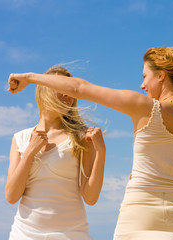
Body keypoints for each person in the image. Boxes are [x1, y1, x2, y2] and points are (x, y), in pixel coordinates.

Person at [8, 47, 173, 240]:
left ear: (161, 75)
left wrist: (28, 78)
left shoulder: (144, 107)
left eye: (145, 76)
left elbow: (79, 88)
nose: (142, 85)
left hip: (139, 216)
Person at [6, 66, 106, 240]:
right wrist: (30, 151)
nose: (67, 94)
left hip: (72, 235)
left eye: (70, 89)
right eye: (61, 88)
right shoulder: (20, 138)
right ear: (44, 89)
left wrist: (101, 152)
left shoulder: (81, 138)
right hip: (24, 235)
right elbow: (12, 196)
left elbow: (90, 198)